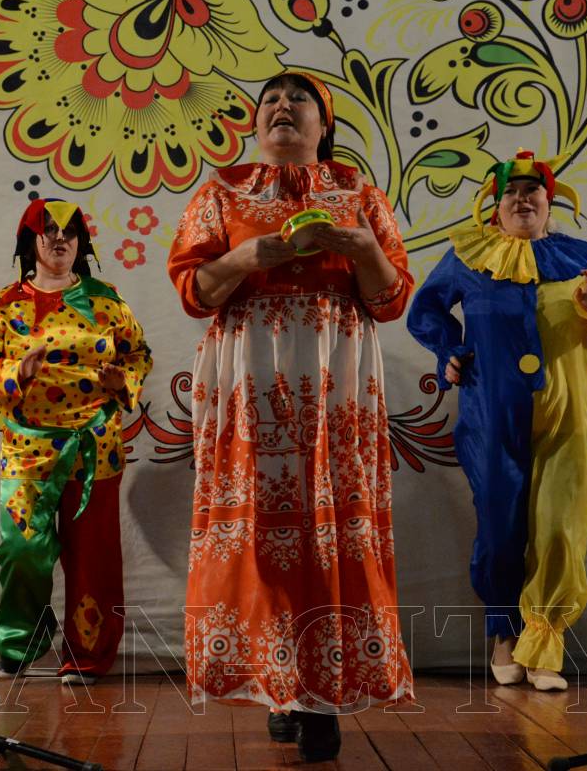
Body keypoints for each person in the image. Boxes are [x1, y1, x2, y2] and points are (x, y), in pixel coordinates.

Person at [167, 72, 413, 762]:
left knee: (329, 525)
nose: (282, 106)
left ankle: (323, 693)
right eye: (270, 100)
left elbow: (391, 299)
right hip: (251, 371)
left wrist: (362, 248)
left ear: (323, 124)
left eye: (298, 99)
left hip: (336, 375)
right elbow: (193, 290)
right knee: (262, 529)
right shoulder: (221, 193)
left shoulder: (360, 194)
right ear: (255, 124)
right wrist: (244, 257)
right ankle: (282, 686)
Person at [406, 151, 587, 691]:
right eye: (510, 192)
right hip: (491, 414)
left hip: (567, 414)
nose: (521, 199)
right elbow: (426, 311)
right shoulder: (468, 256)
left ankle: (545, 643)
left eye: (531, 191)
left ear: (548, 200)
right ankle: (504, 631)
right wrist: (449, 350)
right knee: (500, 530)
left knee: (559, 528)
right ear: (495, 206)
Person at [0, 198, 151, 686]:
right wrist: (17, 371)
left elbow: (138, 353)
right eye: (48, 230)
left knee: (92, 557)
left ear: (81, 243)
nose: (59, 239)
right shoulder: (4, 305)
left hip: (95, 448)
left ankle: (88, 656)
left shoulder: (106, 300)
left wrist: (121, 382)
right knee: (22, 549)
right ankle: (21, 642)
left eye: (69, 232)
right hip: (27, 449)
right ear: (29, 241)